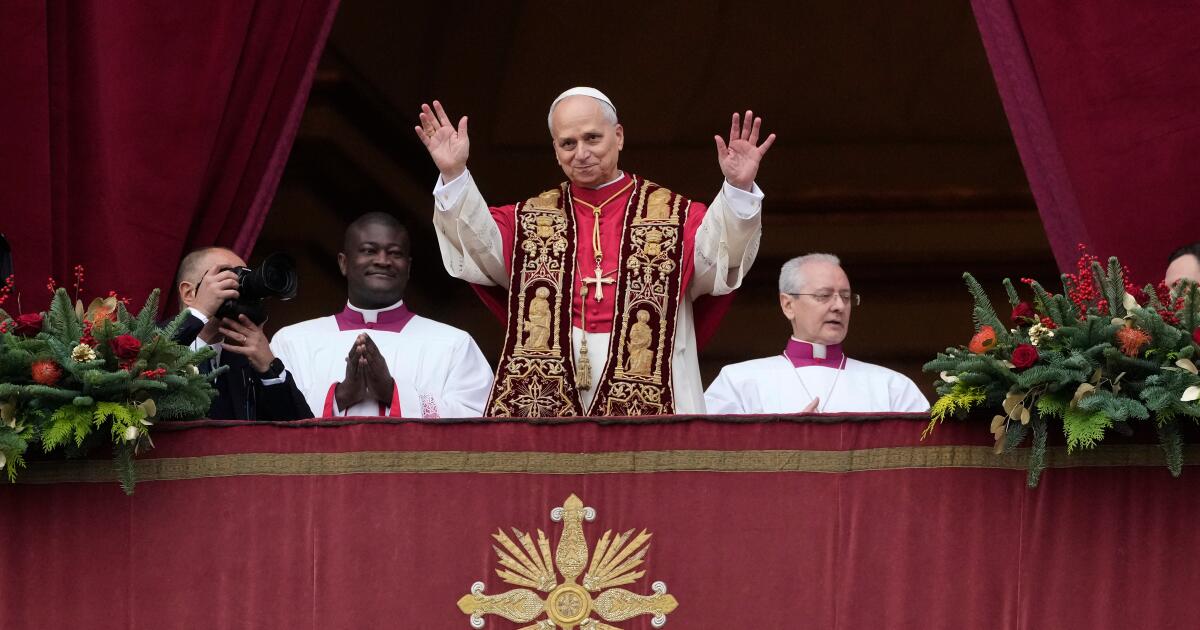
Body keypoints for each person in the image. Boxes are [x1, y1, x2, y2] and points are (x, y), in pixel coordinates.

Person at [417, 87, 774, 416]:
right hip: (552, 374)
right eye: (567, 143)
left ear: (618, 136)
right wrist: (455, 174)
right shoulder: (529, 219)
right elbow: (480, 246)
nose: (582, 153)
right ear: (556, 151)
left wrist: (738, 188)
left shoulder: (675, 216)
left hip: (651, 372)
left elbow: (719, 255)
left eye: (592, 138)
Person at [270, 213, 492, 418]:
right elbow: (270, 418)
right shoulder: (292, 342)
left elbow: (478, 423)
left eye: (395, 253)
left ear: (408, 267)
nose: (383, 261)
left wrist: (392, 392)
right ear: (343, 263)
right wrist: (341, 395)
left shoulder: (454, 344)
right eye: (369, 250)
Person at [704, 253, 929, 414]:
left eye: (846, 296)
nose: (839, 306)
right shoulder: (737, 383)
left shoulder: (893, 387)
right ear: (788, 305)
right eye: (824, 296)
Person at [174, 247, 313, 420]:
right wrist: (198, 314)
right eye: (227, 277)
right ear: (189, 293)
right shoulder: (144, 343)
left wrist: (269, 369)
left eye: (242, 278)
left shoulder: (245, 365)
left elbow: (301, 434)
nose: (238, 288)